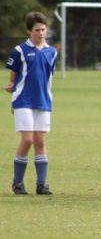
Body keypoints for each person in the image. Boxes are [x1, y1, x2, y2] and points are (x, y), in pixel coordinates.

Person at [5, 12, 57, 195]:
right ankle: (17, 182)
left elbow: (49, 76)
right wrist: (11, 86)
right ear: (29, 31)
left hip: (43, 100)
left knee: (40, 141)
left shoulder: (52, 52)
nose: (41, 33)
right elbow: (14, 75)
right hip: (23, 100)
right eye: (37, 30)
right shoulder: (20, 51)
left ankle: (41, 184)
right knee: (27, 140)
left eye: (43, 30)